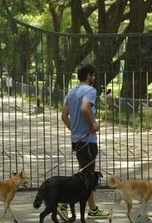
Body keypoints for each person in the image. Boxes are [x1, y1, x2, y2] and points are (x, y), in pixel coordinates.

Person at [59, 64, 110, 221]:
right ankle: (63, 202)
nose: (94, 78)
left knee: (84, 174)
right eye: (93, 76)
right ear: (89, 75)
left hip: (77, 140)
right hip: (87, 141)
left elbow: (64, 116)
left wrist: (74, 130)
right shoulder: (90, 91)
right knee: (86, 176)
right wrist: (92, 125)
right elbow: (84, 109)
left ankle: (92, 209)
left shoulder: (72, 91)